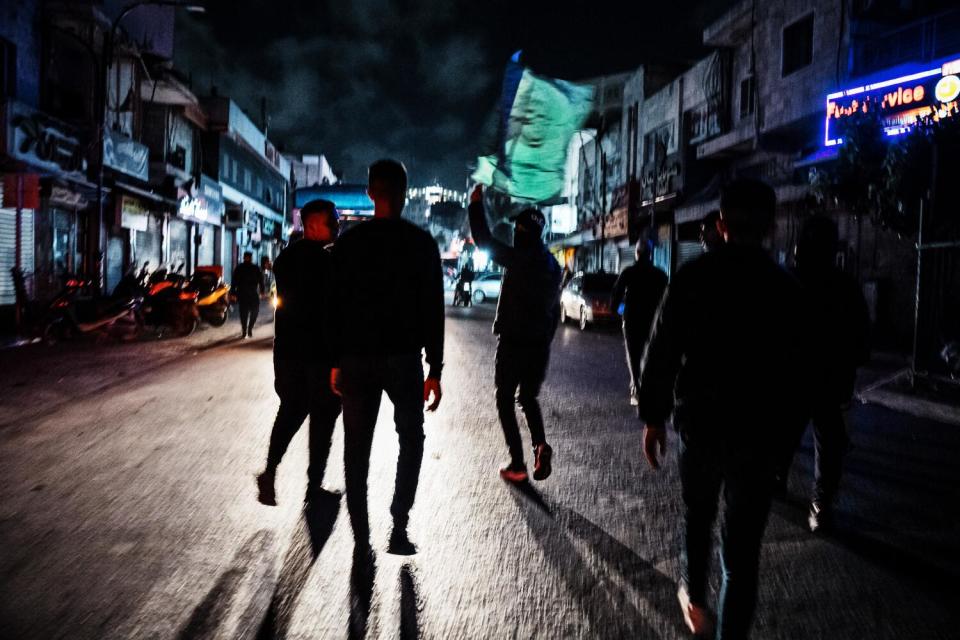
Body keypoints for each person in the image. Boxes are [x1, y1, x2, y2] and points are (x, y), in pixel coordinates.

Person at [637, 178, 809, 639]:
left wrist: (654, 418)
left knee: (699, 514)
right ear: (771, 227)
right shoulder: (786, 290)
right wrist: (784, 447)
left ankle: (694, 599)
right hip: (759, 437)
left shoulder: (694, 278)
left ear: (720, 224)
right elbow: (800, 379)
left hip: (703, 426)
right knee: (742, 553)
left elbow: (661, 352)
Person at [330, 159, 444, 556]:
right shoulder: (422, 244)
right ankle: (398, 525)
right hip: (404, 359)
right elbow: (434, 310)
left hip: (358, 359)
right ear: (405, 193)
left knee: (356, 448)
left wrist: (335, 361)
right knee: (411, 438)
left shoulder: (349, 244)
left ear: (370, 192)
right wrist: (436, 368)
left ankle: (361, 537)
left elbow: (336, 308)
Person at [468, 184, 562, 483]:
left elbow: (483, 239)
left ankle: (518, 463)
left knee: (505, 398)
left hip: (514, 343)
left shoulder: (519, 258)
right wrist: (545, 339)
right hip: (539, 345)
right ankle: (540, 444)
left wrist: (475, 204)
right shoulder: (552, 265)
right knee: (529, 397)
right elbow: (555, 312)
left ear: (521, 231)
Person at [781, 215, 870, 532]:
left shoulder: (789, 282)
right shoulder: (845, 286)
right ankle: (820, 504)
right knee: (827, 444)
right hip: (829, 381)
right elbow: (862, 340)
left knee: (788, 434)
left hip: (796, 379)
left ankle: (782, 482)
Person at [255, 200, 341, 506]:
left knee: (290, 412)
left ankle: (270, 471)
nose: (337, 225)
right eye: (333, 221)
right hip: (321, 357)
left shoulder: (286, 258)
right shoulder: (329, 261)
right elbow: (332, 313)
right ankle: (313, 485)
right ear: (315, 225)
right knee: (323, 420)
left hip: (288, 354)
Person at [611, 238, 667, 406]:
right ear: (650, 255)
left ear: (637, 253)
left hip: (632, 321)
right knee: (650, 354)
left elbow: (615, 299)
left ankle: (637, 388)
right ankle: (649, 387)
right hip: (653, 321)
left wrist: (620, 312)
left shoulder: (628, 273)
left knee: (634, 355)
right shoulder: (660, 275)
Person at [231, 251, 265, 338]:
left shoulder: (255, 268)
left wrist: (262, 291)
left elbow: (261, 280)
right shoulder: (239, 268)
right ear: (244, 258)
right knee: (244, 314)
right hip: (242, 294)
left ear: (251, 258)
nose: (247, 259)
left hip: (253, 293)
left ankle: (250, 328)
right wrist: (233, 293)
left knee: (255, 312)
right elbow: (234, 281)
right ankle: (244, 330)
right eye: (246, 257)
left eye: (249, 257)